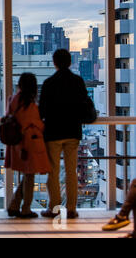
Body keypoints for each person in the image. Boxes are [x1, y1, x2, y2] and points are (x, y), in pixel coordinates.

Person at [39, 49, 89, 219]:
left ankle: (55, 209)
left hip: (53, 132)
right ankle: (72, 209)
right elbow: (84, 103)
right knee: (71, 172)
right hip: (73, 131)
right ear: (70, 62)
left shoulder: (49, 83)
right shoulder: (77, 81)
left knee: (53, 172)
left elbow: (42, 111)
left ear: (54, 62)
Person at [5, 73, 51, 219]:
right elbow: (36, 123)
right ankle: (25, 209)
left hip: (16, 143)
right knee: (29, 176)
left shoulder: (13, 100)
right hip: (29, 143)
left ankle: (13, 205)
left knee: (26, 176)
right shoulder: (30, 104)